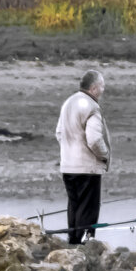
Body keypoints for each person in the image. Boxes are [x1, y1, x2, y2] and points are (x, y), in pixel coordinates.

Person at [56, 70, 111, 244]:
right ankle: (84, 247)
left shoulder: (68, 103)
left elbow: (59, 133)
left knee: (75, 206)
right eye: (102, 86)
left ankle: (72, 243)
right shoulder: (92, 106)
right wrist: (105, 155)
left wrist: (70, 151)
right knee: (88, 209)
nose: (103, 90)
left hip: (68, 166)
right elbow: (94, 139)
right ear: (94, 88)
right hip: (88, 168)